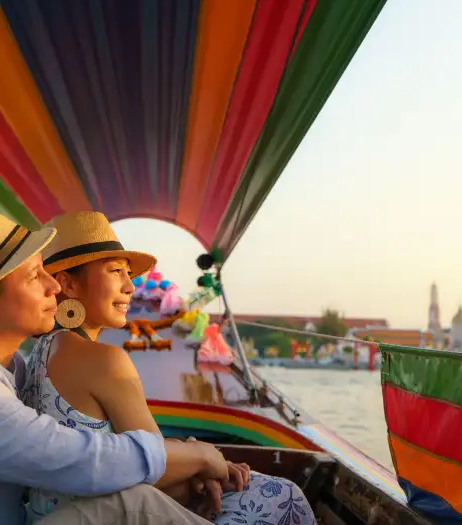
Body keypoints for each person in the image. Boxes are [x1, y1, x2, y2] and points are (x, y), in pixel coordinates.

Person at [0, 205, 230, 525]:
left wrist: (190, 460)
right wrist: (200, 455)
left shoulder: (10, 367)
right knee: (132, 504)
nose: (54, 285)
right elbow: (85, 462)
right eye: (35, 276)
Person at [22, 211, 317, 525]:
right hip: (105, 515)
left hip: (53, 514)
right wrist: (203, 466)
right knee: (283, 494)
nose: (129, 286)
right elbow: (155, 466)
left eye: (128, 273)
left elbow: (141, 458)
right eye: (115, 271)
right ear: (68, 282)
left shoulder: (41, 353)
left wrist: (194, 462)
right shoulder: (103, 359)